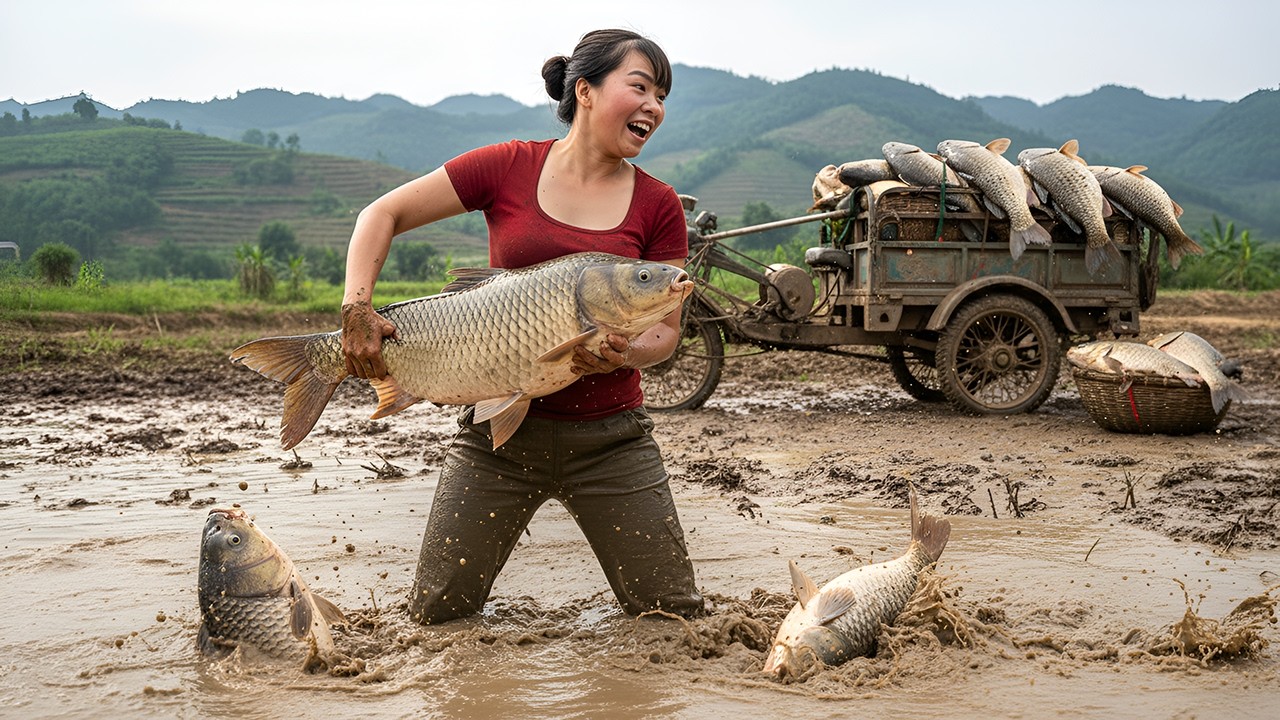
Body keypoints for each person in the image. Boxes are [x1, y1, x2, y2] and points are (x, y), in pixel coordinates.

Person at [339, 29, 705, 624]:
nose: (655, 107)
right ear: (585, 90)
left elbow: (663, 336)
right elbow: (381, 213)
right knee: (437, 618)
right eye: (640, 87)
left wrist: (621, 354)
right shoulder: (506, 166)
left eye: (662, 95)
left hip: (612, 441)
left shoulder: (657, 204)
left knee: (674, 621)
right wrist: (358, 309)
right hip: (496, 440)